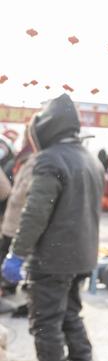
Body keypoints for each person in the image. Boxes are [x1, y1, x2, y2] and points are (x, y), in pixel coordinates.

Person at [1, 94, 105, 361]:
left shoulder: (50, 160)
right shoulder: (90, 158)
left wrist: (17, 253)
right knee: (71, 316)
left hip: (51, 260)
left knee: (45, 324)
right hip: (81, 258)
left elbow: (35, 213)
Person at [0, 125, 37, 309]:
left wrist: (14, 199)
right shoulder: (24, 159)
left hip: (17, 220)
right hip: (12, 218)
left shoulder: (34, 161)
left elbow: (15, 192)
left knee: (10, 254)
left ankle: (8, 287)